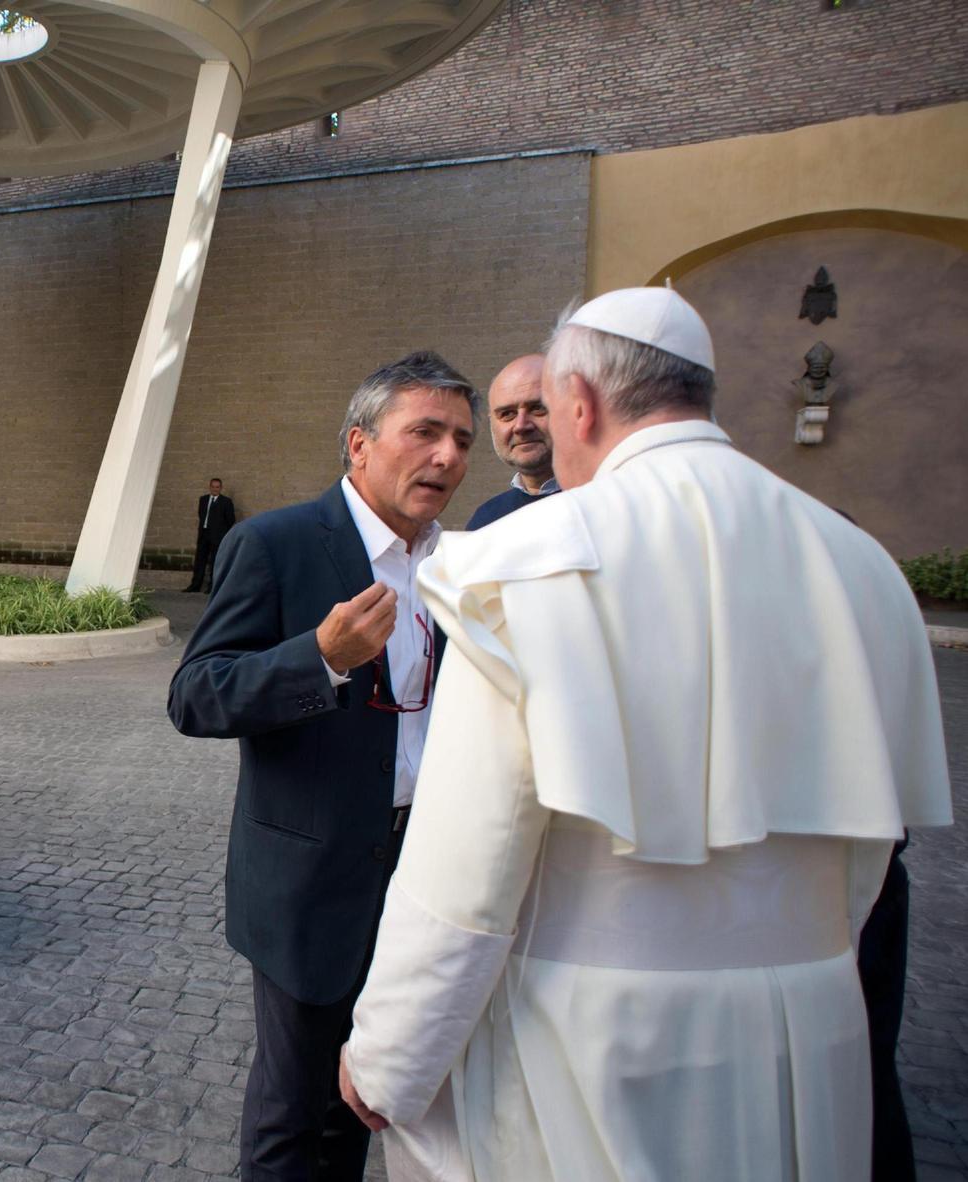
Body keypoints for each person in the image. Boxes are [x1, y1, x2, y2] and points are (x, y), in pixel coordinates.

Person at [337, 287, 952, 1182]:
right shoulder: (858, 562)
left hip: (589, 1047)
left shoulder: (520, 563)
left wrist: (388, 1054)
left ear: (578, 405)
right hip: (809, 1033)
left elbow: (466, 870)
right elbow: (864, 860)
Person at [169, 351, 476, 1180]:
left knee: (363, 1096)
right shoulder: (275, 544)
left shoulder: (460, 564)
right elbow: (195, 695)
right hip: (309, 879)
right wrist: (319, 658)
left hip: (423, 874)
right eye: (423, 432)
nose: (446, 456)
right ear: (358, 445)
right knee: (291, 1111)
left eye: (459, 439)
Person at [465, 354, 559, 530]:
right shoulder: (486, 521)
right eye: (507, 414)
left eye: (538, 408)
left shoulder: (608, 506)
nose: (521, 426)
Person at [185, 478, 237, 592]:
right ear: (210, 487)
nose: (215, 489)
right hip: (204, 535)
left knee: (215, 562)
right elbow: (201, 515)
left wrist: (221, 532)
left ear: (220, 488)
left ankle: (212, 587)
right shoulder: (203, 500)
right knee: (200, 561)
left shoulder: (226, 502)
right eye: (213, 486)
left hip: (217, 537)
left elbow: (231, 519)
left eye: (217, 487)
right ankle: (195, 585)